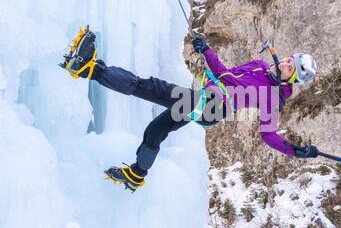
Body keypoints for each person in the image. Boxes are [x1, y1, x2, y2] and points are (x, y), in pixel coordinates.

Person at [62, 30, 319, 192]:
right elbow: (224, 73)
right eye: (287, 59)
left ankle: (88, 69)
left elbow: (269, 135)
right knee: (156, 129)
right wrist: (206, 49)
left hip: (211, 107)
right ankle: (137, 174)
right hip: (204, 97)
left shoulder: (272, 98)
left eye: (290, 66)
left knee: (151, 87)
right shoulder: (259, 65)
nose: (284, 62)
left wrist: (296, 151)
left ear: (292, 78)